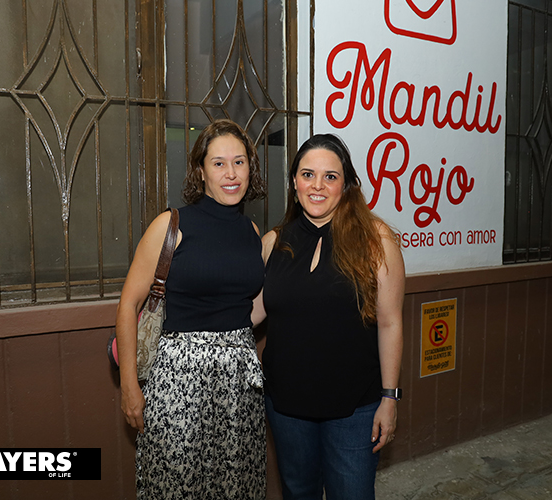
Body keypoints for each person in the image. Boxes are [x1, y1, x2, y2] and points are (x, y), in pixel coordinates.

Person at [116, 119, 267, 500]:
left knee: (237, 486)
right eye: (218, 163)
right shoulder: (171, 225)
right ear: (200, 171)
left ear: (250, 168)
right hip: (179, 381)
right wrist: (130, 386)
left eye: (239, 162)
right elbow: (129, 304)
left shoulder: (251, 232)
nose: (231, 173)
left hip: (240, 384)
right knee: (176, 486)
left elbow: (244, 308)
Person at [252, 133, 405, 500]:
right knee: (298, 492)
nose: (317, 185)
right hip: (286, 405)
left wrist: (390, 398)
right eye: (308, 174)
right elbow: (249, 314)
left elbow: (390, 323)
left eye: (330, 177)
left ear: (346, 185)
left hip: (355, 408)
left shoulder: (377, 240)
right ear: (294, 182)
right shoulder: (273, 242)